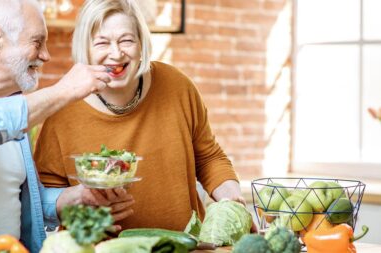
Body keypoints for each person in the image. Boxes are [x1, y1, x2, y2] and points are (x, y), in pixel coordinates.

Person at [34, 0, 255, 232]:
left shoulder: (178, 86)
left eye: (126, 40)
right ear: (85, 49)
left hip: (184, 245)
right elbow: (46, 194)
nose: (116, 53)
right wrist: (83, 209)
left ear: (141, 44)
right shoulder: (63, 108)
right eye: (102, 43)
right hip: (98, 247)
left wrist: (234, 204)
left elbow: (209, 158)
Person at [0, 0, 134, 252]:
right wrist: (66, 89)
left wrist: (76, 198)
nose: (46, 55)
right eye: (38, 42)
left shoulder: (12, 103)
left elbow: (19, 200)